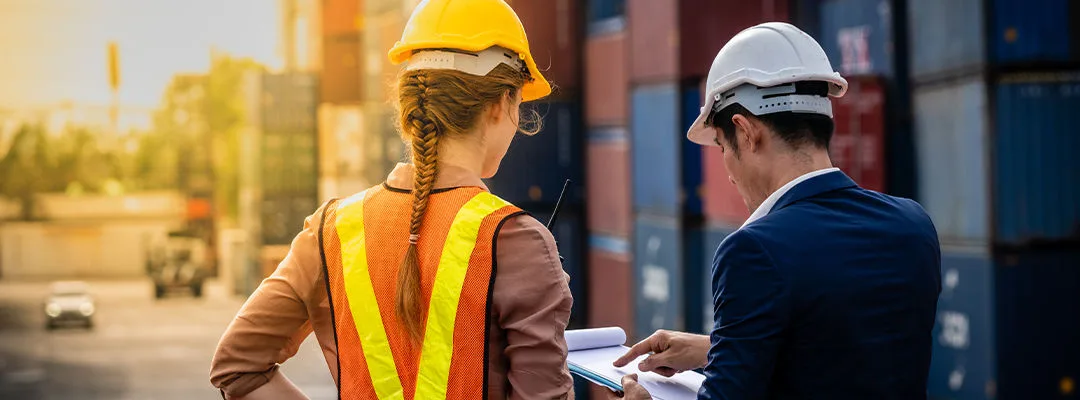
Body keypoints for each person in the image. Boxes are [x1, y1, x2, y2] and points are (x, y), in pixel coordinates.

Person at [210, 1, 576, 399]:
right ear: (499, 104)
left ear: (409, 108)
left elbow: (236, 366)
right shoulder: (517, 241)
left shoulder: (332, 229)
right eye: (519, 104)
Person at [612, 22, 941, 399]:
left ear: (746, 131)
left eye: (722, 147)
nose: (729, 172)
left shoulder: (754, 252)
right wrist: (717, 347)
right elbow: (842, 345)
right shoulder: (913, 225)